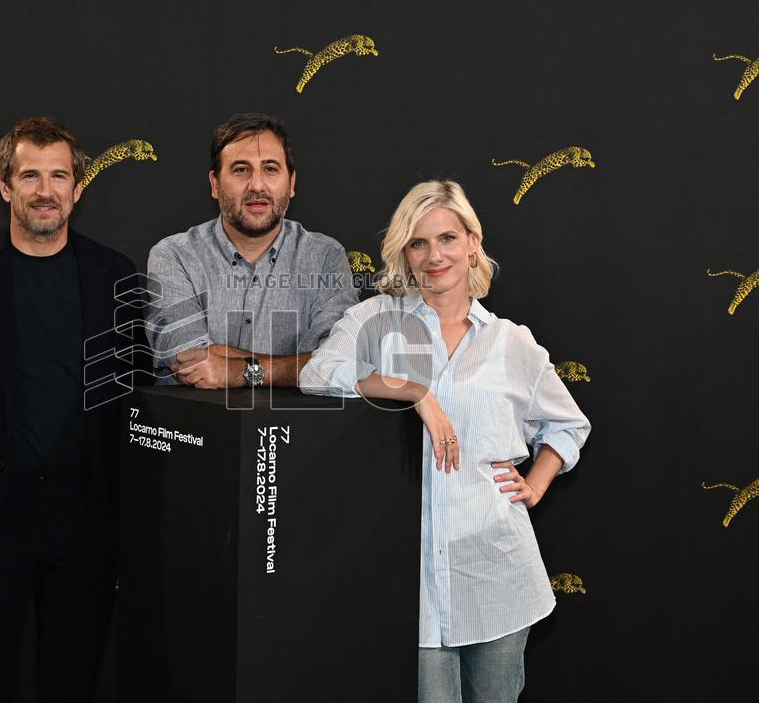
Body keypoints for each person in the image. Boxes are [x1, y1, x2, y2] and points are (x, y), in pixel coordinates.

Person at [299, 180, 590, 703]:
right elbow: (318, 373)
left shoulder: (512, 342)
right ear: (404, 253)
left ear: (474, 241)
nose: (435, 256)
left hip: (498, 571)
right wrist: (414, 390)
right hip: (413, 583)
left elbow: (569, 425)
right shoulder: (376, 321)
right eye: (418, 243)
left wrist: (536, 483)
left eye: (448, 238)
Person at [0, 116, 146, 702]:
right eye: (30, 175)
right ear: (5, 187)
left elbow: (135, 403)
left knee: (72, 682)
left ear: (79, 189)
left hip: (82, 517)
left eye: (59, 175)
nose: (45, 189)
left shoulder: (113, 275)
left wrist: (123, 518)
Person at [145, 112, 358, 388]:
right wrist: (295, 364)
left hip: (297, 430)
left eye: (270, 169)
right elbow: (191, 364)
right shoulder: (174, 256)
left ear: (291, 184)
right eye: (241, 169)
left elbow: (336, 363)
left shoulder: (325, 257)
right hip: (195, 429)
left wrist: (237, 370)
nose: (257, 185)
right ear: (215, 184)